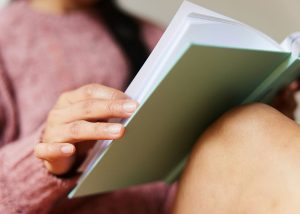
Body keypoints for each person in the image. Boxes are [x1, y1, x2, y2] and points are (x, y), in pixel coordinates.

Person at [1, 0, 300, 214]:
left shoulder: (160, 37)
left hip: (185, 200)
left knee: (252, 124)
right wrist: (44, 159)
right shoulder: (7, 40)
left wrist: (267, 99)